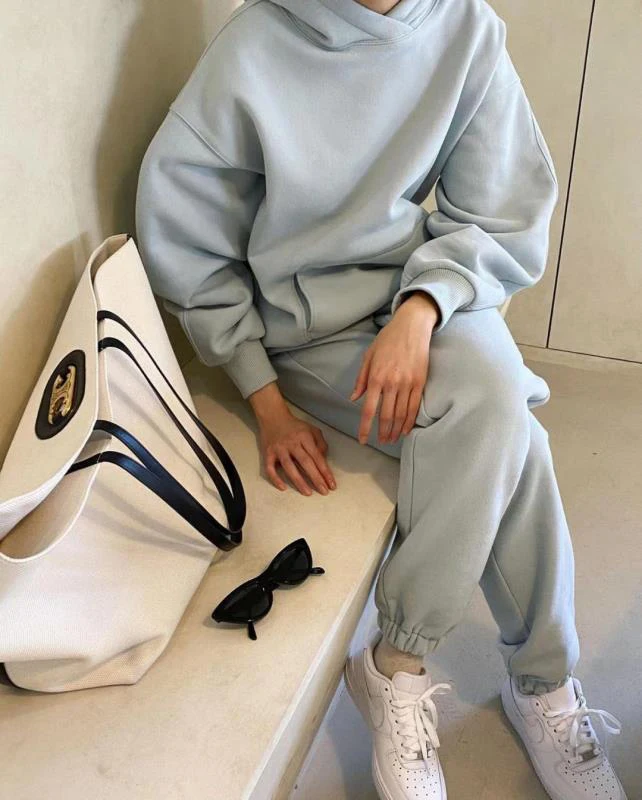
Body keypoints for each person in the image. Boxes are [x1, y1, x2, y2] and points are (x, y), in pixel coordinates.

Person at [135, 1, 627, 797]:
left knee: (499, 403)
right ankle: (537, 682)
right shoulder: (254, 48)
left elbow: (501, 206)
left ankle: (396, 661)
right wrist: (264, 397)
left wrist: (423, 307)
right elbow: (189, 242)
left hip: (422, 296)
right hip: (306, 330)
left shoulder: (465, 27)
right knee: (512, 434)